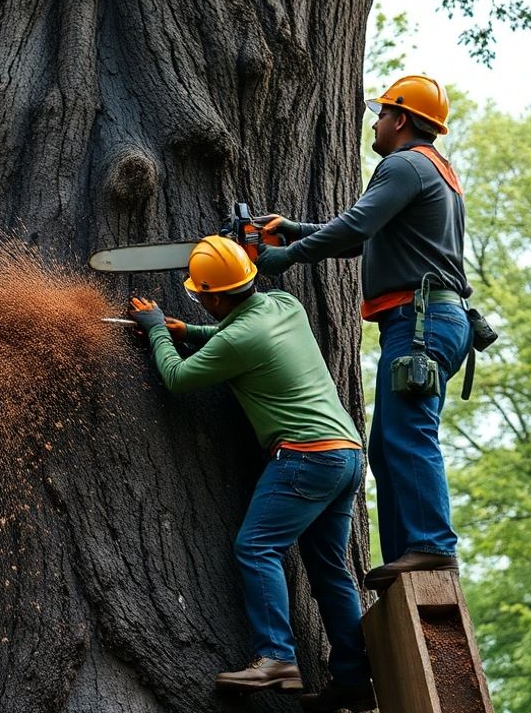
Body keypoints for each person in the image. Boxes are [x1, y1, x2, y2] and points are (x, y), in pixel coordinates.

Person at [127, 236, 373, 712]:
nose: (201, 301)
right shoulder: (284, 303)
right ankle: (353, 678)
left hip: (305, 457)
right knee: (329, 570)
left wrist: (158, 330)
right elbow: (233, 337)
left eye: (201, 297)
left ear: (215, 296)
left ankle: (277, 658)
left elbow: (177, 378)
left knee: (257, 546)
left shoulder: (239, 339)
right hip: (345, 455)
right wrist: (189, 331)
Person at [254, 74, 472, 590]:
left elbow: (355, 228)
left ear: (400, 119)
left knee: (406, 433)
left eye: (381, 113)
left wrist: (287, 256)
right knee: (388, 441)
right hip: (432, 321)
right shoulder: (433, 171)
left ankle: (431, 548)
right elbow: (361, 237)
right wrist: (297, 230)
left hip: (420, 324)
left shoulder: (401, 164)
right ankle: (407, 554)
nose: (374, 122)